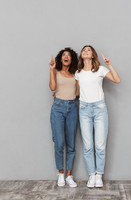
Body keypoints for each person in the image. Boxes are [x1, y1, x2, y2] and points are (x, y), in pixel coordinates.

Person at [75, 45, 120, 188]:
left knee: (100, 145)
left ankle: (99, 175)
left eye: (89, 50)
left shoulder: (100, 69)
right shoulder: (78, 73)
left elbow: (117, 80)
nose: (86, 51)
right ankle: (91, 175)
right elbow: (77, 93)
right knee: (88, 146)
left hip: (100, 109)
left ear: (93, 55)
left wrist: (109, 65)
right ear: (81, 55)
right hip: (84, 109)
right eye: (84, 50)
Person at [49, 47, 79, 188]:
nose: (66, 56)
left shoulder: (75, 74)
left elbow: (78, 92)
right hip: (58, 108)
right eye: (63, 55)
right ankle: (60, 173)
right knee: (60, 143)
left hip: (73, 107)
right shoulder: (56, 71)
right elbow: (52, 87)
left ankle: (69, 175)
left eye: (69, 55)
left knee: (71, 144)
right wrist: (51, 70)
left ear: (72, 59)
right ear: (61, 59)